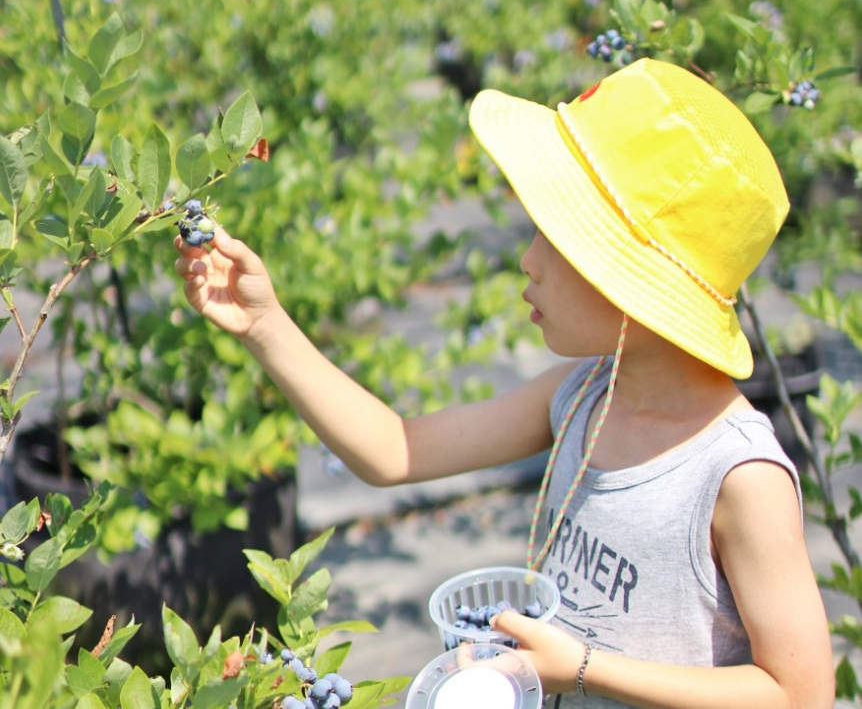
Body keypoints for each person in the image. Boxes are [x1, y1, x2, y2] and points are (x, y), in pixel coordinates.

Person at [175, 57, 835, 708]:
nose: (528, 260)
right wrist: (266, 325)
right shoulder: (581, 397)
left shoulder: (736, 475)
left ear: (632, 285)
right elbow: (393, 448)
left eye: (555, 240)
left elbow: (800, 692)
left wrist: (580, 666)